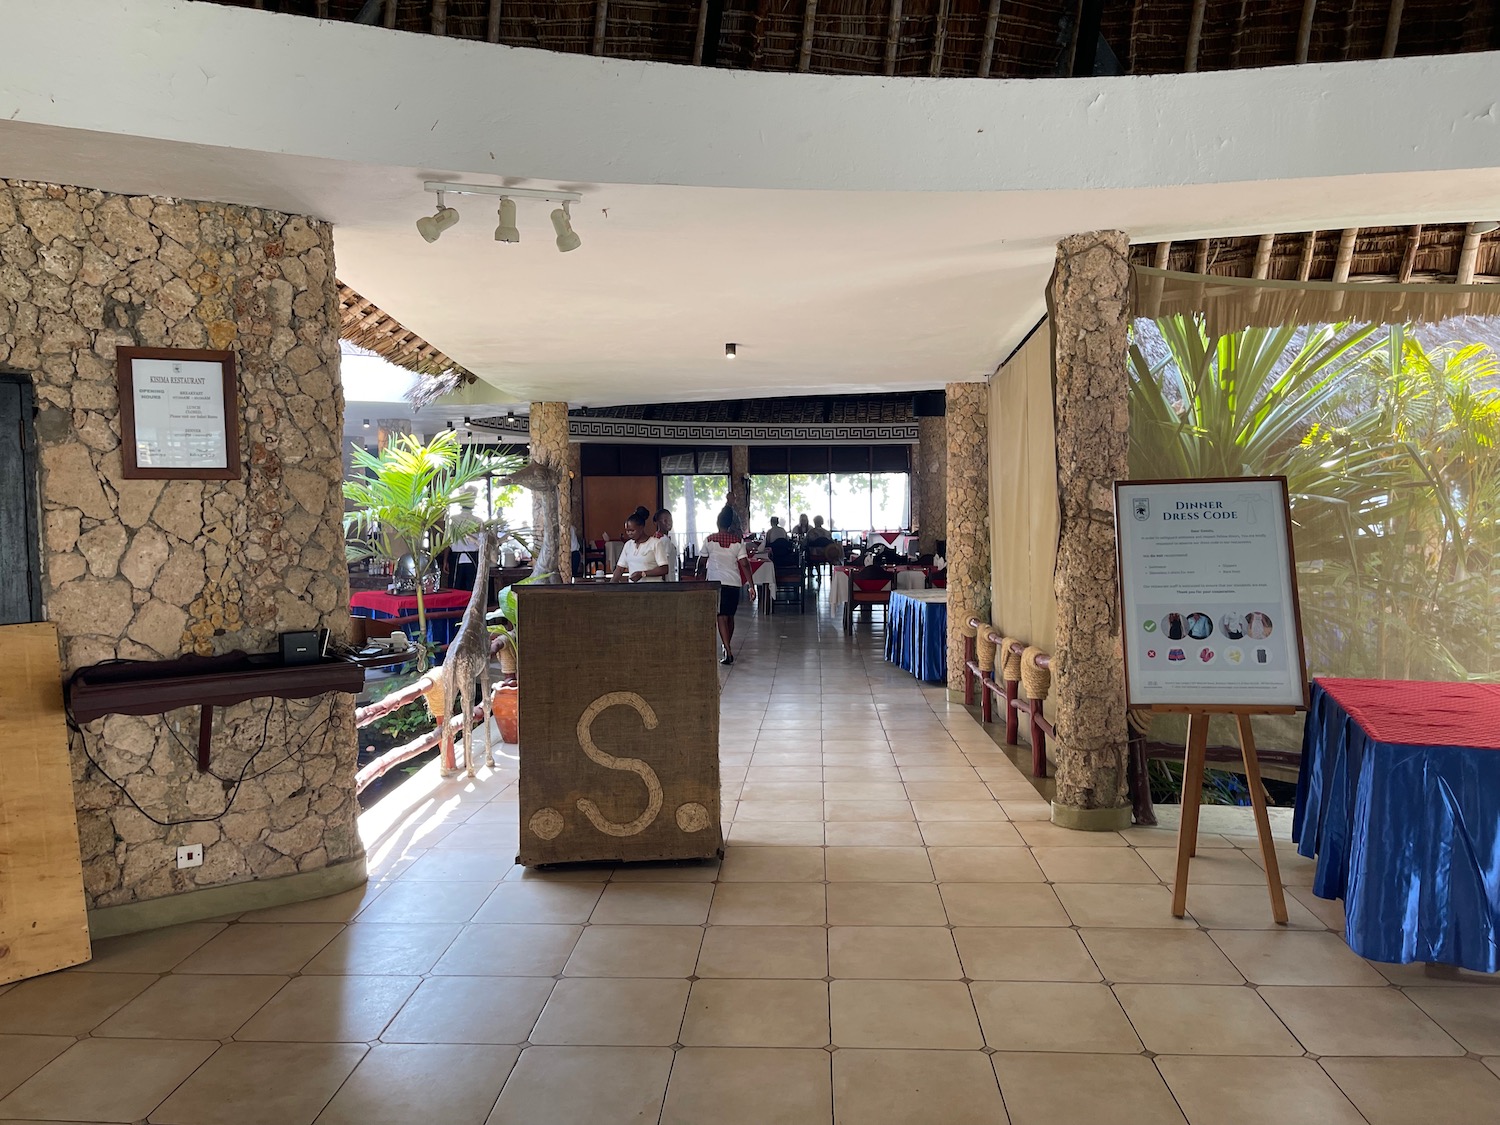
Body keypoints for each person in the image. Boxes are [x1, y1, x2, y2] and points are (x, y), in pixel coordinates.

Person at [703, 507, 756, 664]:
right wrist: (751, 585)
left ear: (717, 523)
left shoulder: (709, 540)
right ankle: (727, 647)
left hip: (715, 583)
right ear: (731, 525)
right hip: (734, 583)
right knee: (730, 616)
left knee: (720, 616)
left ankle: (728, 649)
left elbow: (702, 560)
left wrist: (698, 573)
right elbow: (745, 564)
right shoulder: (738, 542)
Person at [612, 506, 671, 583]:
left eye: (632, 530)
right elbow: (620, 569)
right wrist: (610, 585)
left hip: (653, 589)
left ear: (641, 528)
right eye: (627, 531)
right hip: (634, 589)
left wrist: (643, 574)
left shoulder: (655, 543)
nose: (629, 533)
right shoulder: (628, 545)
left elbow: (664, 569)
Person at [654, 507, 679, 581]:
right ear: (657, 522)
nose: (669, 522)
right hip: (667, 581)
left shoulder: (655, 538)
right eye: (665, 520)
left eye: (670, 520)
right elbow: (663, 564)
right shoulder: (664, 540)